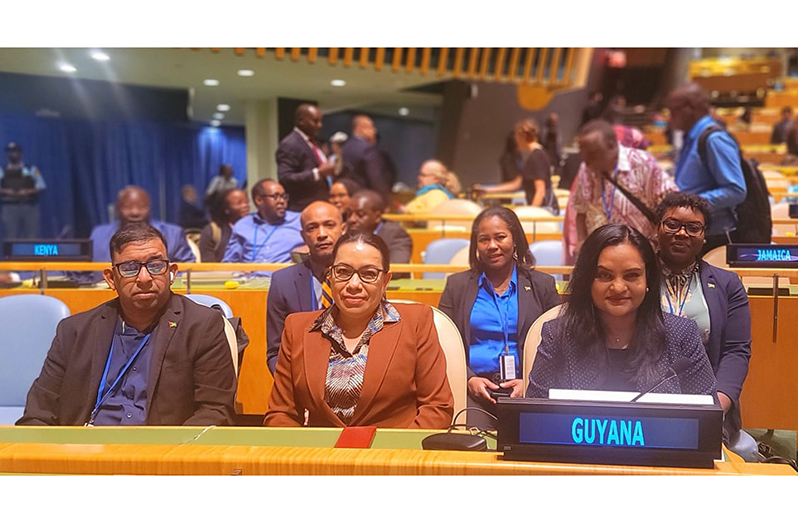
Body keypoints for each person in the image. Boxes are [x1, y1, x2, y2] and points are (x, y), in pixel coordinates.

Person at [17, 222, 237, 426]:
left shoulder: (202, 326)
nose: (144, 278)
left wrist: (171, 455)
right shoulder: (74, 332)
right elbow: (39, 413)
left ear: (172, 273)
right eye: (130, 267)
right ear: (111, 278)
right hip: (84, 450)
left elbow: (215, 411)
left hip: (160, 455)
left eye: (155, 265)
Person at [264, 231, 454, 428]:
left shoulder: (416, 322)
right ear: (330, 276)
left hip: (392, 453)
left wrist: (395, 454)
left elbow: (437, 408)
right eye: (343, 272)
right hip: (320, 455)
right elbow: (280, 414)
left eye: (369, 274)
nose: (354, 284)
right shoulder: (297, 328)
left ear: (385, 281)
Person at [526, 223, 718, 402]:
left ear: (648, 280)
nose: (618, 287)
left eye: (631, 275)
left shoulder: (682, 334)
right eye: (604, 276)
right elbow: (532, 418)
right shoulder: (557, 335)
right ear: (587, 280)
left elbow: (709, 420)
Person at [653, 192, 757, 459]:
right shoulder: (635, 276)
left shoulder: (727, 284)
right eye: (672, 224)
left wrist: (714, 406)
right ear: (657, 228)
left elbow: (736, 352)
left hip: (707, 398)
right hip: (644, 395)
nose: (681, 233)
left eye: (693, 227)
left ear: (704, 236)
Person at [439, 206, 560, 429]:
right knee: (473, 447)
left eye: (500, 237)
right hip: (474, 392)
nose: (492, 246)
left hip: (529, 389)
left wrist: (530, 381)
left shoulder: (542, 285)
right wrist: (468, 379)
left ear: (515, 240)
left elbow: (560, 343)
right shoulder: (457, 286)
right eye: (484, 239)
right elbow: (442, 344)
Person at [572, 119, 677, 253]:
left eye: (592, 154)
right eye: (583, 154)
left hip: (641, 253)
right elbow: (581, 211)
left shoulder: (642, 162)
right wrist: (581, 240)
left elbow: (670, 206)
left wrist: (656, 241)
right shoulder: (586, 169)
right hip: (600, 254)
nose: (586, 160)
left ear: (611, 146)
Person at [266, 201, 346, 374]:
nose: (322, 234)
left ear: (343, 229)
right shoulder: (283, 282)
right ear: (303, 236)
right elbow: (275, 352)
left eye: (329, 225)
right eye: (312, 228)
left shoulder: (364, 277)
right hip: (303, 378)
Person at [666, 83, 746, 251]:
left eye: (674, 110)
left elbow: (736, 190)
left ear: (691, 107)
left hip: (714, 237)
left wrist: (691, 205)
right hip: (693, 232)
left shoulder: (714, 139)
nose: (670, 117)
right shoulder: (691, 138)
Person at [87, 186, 195, 272]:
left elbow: (189, 270)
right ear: (118, 209)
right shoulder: (98, 234)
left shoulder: (173, 234)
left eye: (142, 207)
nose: (135, 212)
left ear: (150, 208)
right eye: (128, 207)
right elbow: (80, 273)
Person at [475, 119, 558, 213]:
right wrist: (487, 190)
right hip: (539, 209)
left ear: (522, 136)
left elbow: (540, 191)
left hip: (544, 210)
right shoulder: (532, 157)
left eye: (516, 136)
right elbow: (517, 184)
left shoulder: (537, 157)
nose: (515, 140)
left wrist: (531, 214)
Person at [222, 179, 303, 264]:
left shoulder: (299, 221)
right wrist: (239, 270)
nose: (282, 201)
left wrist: (307, 248)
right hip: (250, 276)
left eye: (284, 197)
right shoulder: (242, 226)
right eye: (275, 197)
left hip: (285, 276)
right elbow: (229, 262)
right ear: (259, 200)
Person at [276, 103, 335, 212]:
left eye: (321, 121)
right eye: (315, 121)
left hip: (320, 204)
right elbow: (285, 178)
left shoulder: (312, 142)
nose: (320, 125)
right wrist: (318, 173)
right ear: (301, 121)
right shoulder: (290, 144)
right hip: (302, 208)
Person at [347, 189, 412, 268]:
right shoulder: (345, 231)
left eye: (360, 215)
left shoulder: (396, 234)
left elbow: (397, 267)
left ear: (377, 216)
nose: (351, 219)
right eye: (349, 213)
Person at [0, 142, 46, 239]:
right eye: (10, 152)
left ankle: (29, 254)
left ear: (20, 153)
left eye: (15, 152)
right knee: (10, 236)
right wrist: (7, 191)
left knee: (32, 236)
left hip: (29, 206)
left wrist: (27, 192)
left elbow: (41, 186)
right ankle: (10, 254)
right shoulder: (2, 171)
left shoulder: (31, 169)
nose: (12, 154)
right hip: (9, 207)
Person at [340, 114, 391, 198]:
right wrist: (384, 199)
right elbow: (376, 178)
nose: (374, 131)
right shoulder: (368, 150)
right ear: (362, 129)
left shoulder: (345, 148)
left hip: (348, 195)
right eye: (371, 127)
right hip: (365, 197)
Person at [198, 188, 250, 263]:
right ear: (226, 209)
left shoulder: (255, 228)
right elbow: (208, 266)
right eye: (239, 203)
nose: (245, 206)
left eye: (246, 202)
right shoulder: (212, 231)